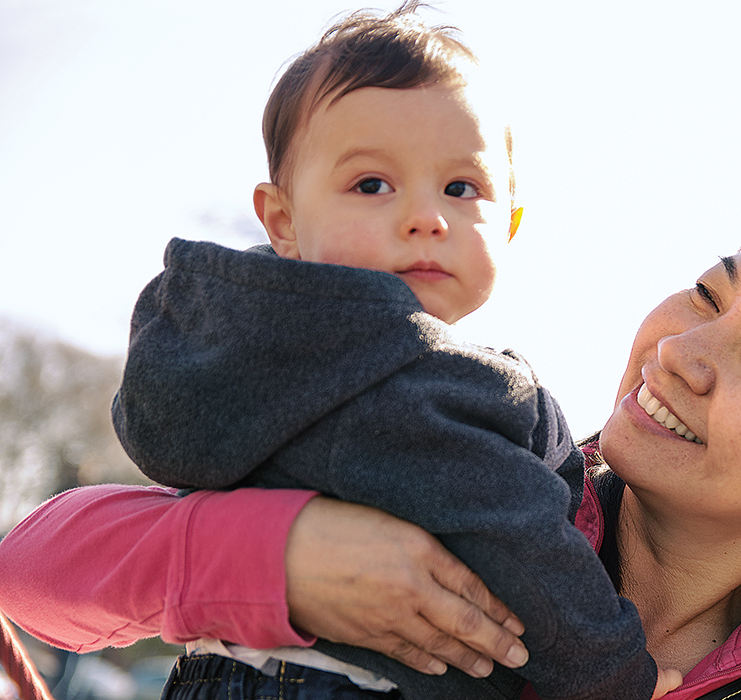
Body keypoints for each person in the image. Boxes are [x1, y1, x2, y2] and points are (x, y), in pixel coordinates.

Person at [3, 193, 741, 700]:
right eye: (707, 292)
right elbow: (37, 571)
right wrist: (292, 558)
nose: (683, 349)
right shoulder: (477, 470)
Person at [72, 5, 680, 700]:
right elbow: (518, 535)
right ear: (283, 220)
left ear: (509, 222)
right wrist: (616, 674)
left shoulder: (226, 355)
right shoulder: (428, 382)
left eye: (461, 188)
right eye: (372, 185)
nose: (426, 216)